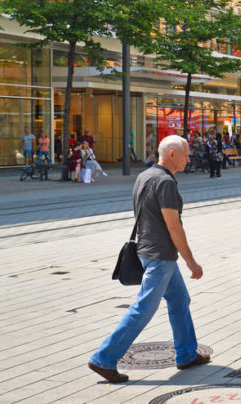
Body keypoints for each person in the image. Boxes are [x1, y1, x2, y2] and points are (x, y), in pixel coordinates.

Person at [88, 136, 209, 383]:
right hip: (160, 256)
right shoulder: (165, 182)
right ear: (172, 154)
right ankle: (104, 358)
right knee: (143, 308)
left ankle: (186, 353)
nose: (189, 159)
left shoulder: (145, 175)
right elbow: (173, 226)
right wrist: (191, 261)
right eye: (186, 155)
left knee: (179, 298)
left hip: (148, 251)